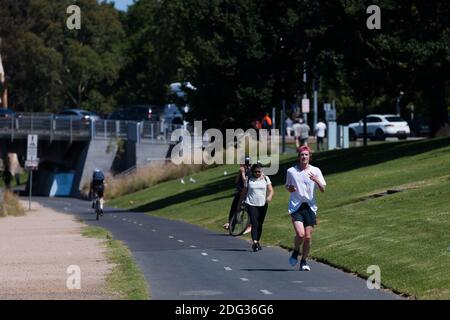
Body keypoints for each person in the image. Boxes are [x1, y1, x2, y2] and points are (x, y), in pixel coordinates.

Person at [285, 145, 326, 271]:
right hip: (296, 206)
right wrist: (290, 189)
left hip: (310, 206)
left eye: (306, 155)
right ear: (299, 157)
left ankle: (303, 261)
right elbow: (288, 186)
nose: (304, 157)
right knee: (301, 234)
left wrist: (316, 180)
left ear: (310, 157)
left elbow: (323, 189)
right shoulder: (291, 171)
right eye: (302, 155)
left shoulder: (316, 170)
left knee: (308, 237)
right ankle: (296, 251)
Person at [243, 163, 274, 252]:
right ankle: (255, 242)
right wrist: (241, 203)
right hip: (251, 203)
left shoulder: (266, 178)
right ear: (252, 172)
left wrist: (269, 197)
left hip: (263, 204)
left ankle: (257, 241)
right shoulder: (248, 179)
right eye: (255, 172)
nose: (257, 173)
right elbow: (244, 191)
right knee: (254, 223)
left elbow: (271, 190)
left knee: (260, 224)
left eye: (259, 171)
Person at [224, 156, 252, 234]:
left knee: (240, 208)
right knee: (233, 209)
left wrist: (242, 173)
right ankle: (231, 226)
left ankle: (247, 225)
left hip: (245, 194)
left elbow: (245, 181)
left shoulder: (250, 172)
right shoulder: (242, 170)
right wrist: (239, 173)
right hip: (239, 192)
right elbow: (236, 181)